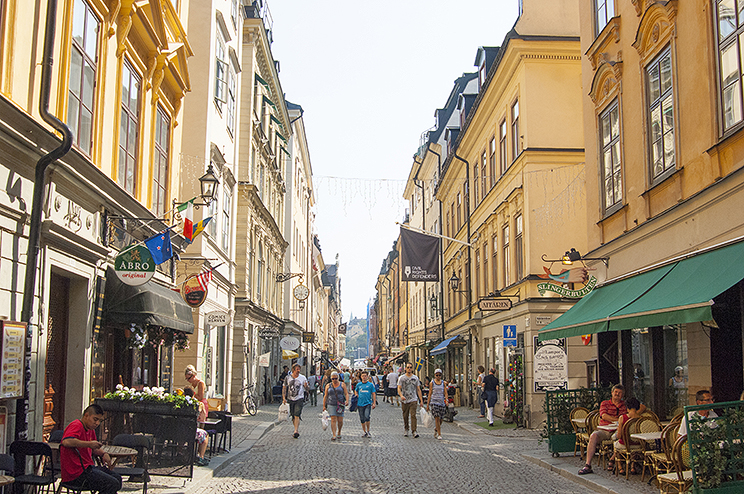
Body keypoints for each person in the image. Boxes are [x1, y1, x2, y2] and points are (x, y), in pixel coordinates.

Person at [578, 384, 645, 475]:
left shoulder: (625, 405)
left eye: (620, 393)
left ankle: (613, 459)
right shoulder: (605, 403)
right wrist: (619, 419)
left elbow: (642, 407)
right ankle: (588, 464)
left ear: (623, 395)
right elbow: (604, 415)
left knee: (620, 437)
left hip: (618, 430)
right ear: (612, 393)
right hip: (605, 430)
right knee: (593, 436)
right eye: (616, 392)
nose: (617, 394)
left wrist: (633, 413)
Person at [60, 404, 122, 494]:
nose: (97, 423)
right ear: (86, 415)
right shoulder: (76, 425)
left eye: (99, 421)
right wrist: (88, 444)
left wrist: (103, 454)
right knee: (111, 483)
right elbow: (66, 442)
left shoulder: (90, 429)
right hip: (76, 474)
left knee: (117, 479)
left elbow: (94, 448)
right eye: (95, 419)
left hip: (87, 468)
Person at [610, 397, 643, 475]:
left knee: (615, 444)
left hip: (625, 444)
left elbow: (619, 435)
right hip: (638, 445)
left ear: (627, 407)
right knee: (632, 449)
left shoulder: (623, 418)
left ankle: (620, 467)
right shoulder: (641, 419)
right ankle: (632, 467)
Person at [183, 388, 210, 465]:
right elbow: (202, 419)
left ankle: (180, 452)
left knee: (181, 434)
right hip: (191, 431)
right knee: (205, 435)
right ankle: (201, 457)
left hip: (177, 431)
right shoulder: (199, 404)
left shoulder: (180, 404)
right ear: (193, 394)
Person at [398, 362, 424, 438]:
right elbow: (399, 388)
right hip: (405, 400)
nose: (409, 369)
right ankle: (406, 428)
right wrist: (401, 395)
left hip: (413, 399)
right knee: (405, 415)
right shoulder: (402, 378)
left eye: (410, 367)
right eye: (408, 367)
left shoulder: (415, 378)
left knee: (413, 415)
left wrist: (421, 400)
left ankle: (414, 431)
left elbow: (418, 389)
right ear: (405, 368)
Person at [283, 363, 309, 438]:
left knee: (297, 414)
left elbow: (307, 389)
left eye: (299, 369)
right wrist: (284, 398)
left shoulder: (302, 378)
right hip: (290, 398)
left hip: (299, 398)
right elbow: (284, 388)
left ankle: (296, 430)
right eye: (297, 369)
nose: (298, 371)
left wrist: (306, 386)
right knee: (293, 415)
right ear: (293, 370)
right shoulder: (287, 378)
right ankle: (295, 428)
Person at [323, 371, 349, 441]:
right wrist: (324, 406)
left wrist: (347, 400)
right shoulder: (328, 385)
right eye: (333, 379)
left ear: (338, 378)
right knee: (333, 419)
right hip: (331, 403)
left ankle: (339, 431)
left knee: (340, 420)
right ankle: (334, 434)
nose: (334, 380)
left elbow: (346, 393)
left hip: (340, 404)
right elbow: (325, 396)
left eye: (336, 378)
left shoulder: (342, 384)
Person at [426, 368, 448, 440]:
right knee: (437, 418)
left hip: (441, 402)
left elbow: (445, 392)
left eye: (439, 375)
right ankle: (439, 434)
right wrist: (428, 404)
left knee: (441, 419)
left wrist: (446, 400)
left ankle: (436, 429)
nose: (438, 376)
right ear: (435, 375)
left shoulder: (443, 383)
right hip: (434, 402)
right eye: (437, 375)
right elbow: (430, 393)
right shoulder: (432, 383)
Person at [355, 370, 377, 437]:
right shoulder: (359, 385)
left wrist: (374, 403)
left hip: (367, 403)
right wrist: (356, 394)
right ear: (361, 377)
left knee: (367, 416)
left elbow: (373, 393)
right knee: (362, 418)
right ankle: (364, 431)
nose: (364, 377)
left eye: (365, 376)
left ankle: (368, 431)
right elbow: (355, 391)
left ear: (367, 376)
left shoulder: (370, 385)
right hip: (360, 404)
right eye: (363, 376)